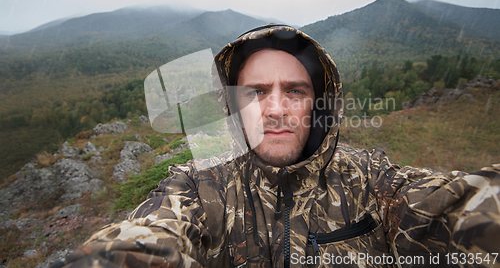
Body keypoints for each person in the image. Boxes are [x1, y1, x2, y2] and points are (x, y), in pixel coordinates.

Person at [52, 24, 500, 268]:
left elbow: (460, 207)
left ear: (318, 106)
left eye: (296, 91)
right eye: (255, 92)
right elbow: (147, 240)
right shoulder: (197, 188)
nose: (276, 109)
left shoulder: (371, 179)